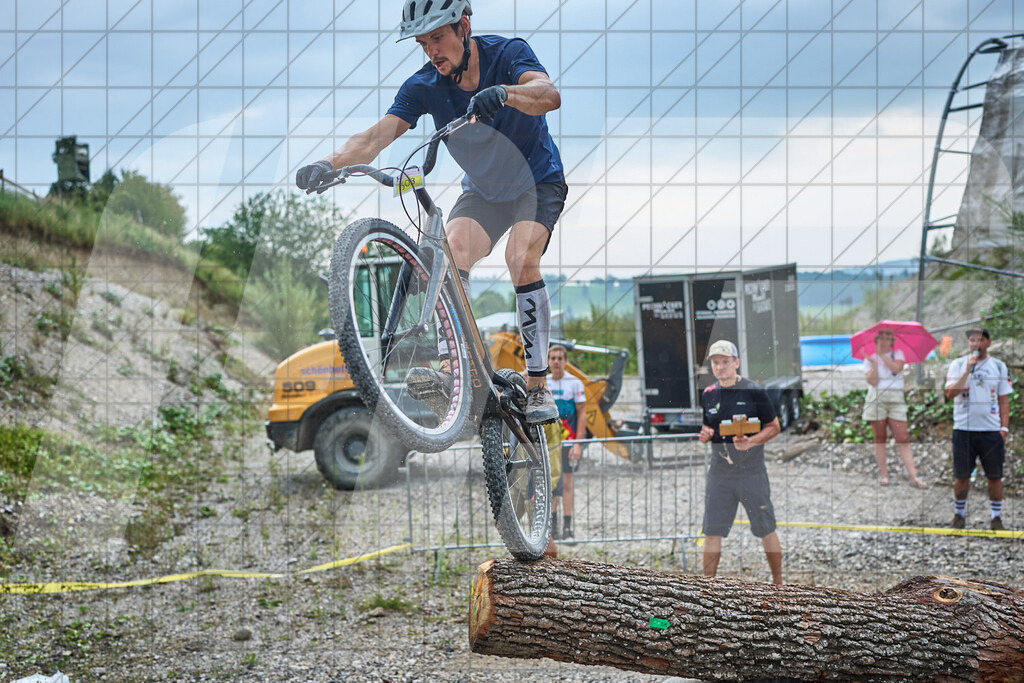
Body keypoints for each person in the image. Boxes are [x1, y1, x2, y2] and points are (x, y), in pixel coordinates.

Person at [295, 0, 565, 424]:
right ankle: (452, 372)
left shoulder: (508, 53)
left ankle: (536, 386)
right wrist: (328, 164)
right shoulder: (423, 86)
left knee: (520, 257)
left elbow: (549, 95)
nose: (431, 51)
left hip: (537, 181)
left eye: (438, 38)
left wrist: (506, 94)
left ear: (464, 27)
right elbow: (372, 139)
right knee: (449, 249)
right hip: (484, 193)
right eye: (423, 43)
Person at [698, 340, 783, 585]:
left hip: (751, 470)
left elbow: (774, 427)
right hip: (720, 470)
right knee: (712, 529)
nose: (720, 366)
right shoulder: (709, 394)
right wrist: (705, 434)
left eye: (725, 362)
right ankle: (707, 588)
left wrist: (752, 441)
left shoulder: (754, 391)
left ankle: (779, 584)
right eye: (716, 362)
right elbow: (708, 427)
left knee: (766, 527)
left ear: (736, 363)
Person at [944, 327, 1012, 530]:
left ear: (988, 343)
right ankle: (959, 514)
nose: (976, 344)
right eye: (972, 340)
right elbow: (949, 394)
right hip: (964, 430)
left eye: (980, 340)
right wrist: (966, 371)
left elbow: (1003, 398)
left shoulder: (999, 367)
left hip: (990, 431)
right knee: (961, 475)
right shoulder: (957, 365)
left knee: (994, 476)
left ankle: (996, 517)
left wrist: (1004, 428)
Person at [862, 327, 927, 488]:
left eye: (887, 336)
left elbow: (896, 369)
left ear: (892, 340)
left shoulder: (898, 354)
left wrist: (882, 355)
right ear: (876, 339)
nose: (884, 339)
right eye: (881, 336)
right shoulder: (869, 358)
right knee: (879, 438)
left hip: (895, 397)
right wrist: (874, 363)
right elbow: (873, 381)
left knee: (902, 438)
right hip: (876, 396)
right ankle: (884, 474)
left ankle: (913, 476)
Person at [547, 345, 587, 540]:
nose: (556, 362)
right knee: (552, 484)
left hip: (569, 441)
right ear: (547, 361)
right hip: (550, 443)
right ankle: (552, 528)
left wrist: (578, 443)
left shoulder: (575, 383)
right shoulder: (543, 382)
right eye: (553, 358)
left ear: (565, 361)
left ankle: (568, 528)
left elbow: (582, 414)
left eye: (560, 358)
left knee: (568, 483)